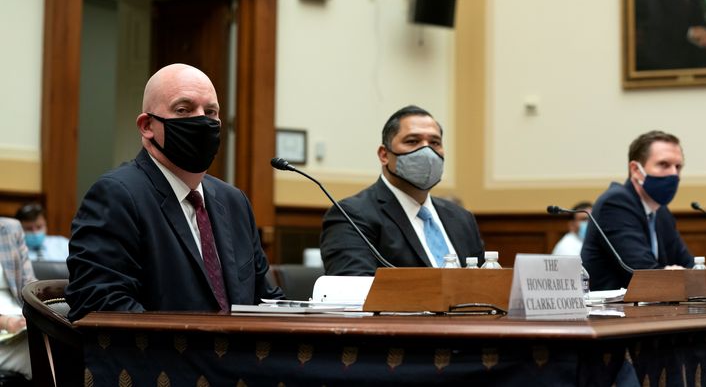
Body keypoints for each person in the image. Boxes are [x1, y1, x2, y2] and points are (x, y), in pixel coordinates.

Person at [66, 63, 283, 321]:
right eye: (184, 109)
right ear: (147, 126)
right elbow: (101, 305)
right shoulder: (117, 196)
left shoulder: (233, 201)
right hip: (163, 359)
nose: (202, 120)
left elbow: (266, 301)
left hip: (242, 359)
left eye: (211, 112)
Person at [320, 105, 485, 275]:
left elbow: (487, 284)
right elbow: (354, 290)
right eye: (412, 141)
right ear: (384, 155)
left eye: (434, 143)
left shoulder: (461, 218)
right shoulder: (351, 215)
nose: (427, 151)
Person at [581, 130, 693, 291]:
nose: (674, 174)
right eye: (664, 164)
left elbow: (689, 265)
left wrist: (690, 274)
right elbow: (641, 274)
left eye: (678, 167)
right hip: (611, 312)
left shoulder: (661, 212)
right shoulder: (615, 204)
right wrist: (676, 275)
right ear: (635, 169)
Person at [0, 218, 35, 378]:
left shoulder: (11, 228)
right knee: (36, 351)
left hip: (22, 320)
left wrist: (36, 313)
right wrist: (5, 322)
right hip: (6, 331)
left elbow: (30, 284)